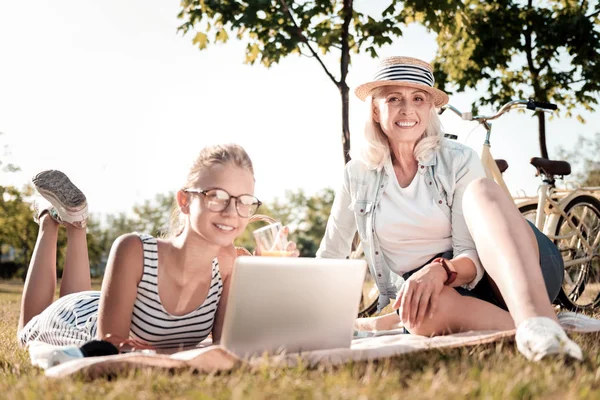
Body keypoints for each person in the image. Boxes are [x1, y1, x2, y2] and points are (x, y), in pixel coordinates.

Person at [316, 56, 582, 361]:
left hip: (512, 262)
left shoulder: (458, 159)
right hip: (442, 288)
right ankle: (541, 330)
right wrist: (305, 309)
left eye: (418, 98)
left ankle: (537, 315)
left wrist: (439, 269)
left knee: (482, 190)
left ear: (430, 108)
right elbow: (331, 255)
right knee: (417, 317)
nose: (407, 109)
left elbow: (471, 255)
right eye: (394, 98)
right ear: (376, 109)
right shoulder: (357, 173)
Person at [17, 143, 270, 354]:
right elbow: (109, 349)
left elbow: (225, 349)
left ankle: (75, 223)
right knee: (26, 331)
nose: (230, 212)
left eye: (243, 201)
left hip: (104, 305)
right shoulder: (134, 250)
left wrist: (267, 281)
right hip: (73, 323)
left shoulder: (229, 264)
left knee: (82, 300)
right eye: (216, 196)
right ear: (184, 201)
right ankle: (48, 222)